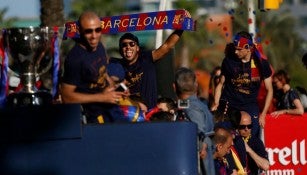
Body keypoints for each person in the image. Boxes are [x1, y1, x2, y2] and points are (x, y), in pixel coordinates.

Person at [60, 11, 126, 124]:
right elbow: (67, 97)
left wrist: (115, 88)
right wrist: (102, 97)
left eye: (97, 30)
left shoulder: (99, 46)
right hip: (93, 117)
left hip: (110, 108)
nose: (94, 36)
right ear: (80, 31)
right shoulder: (75, 59)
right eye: (88, 31)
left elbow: (103, 73)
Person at [211, 31, 273, 137]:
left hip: (249, 105)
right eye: (235, 48)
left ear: (248, 48)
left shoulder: (261, 63)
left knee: (252, 136)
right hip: (229, 104)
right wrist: (216, 103)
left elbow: (270, 90)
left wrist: (263, 114)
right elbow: (221, 84)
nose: (236, 52)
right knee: (224, 135)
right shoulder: (228, 61)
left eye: (239, 50)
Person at [111, 29, 184, 110]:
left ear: (137, 48)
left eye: (132, 44)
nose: (128, 47)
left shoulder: (146, 58)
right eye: (124, 45)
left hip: (150, 114)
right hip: (131, 114)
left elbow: (167, 46)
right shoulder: (116, 66)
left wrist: (181, 28)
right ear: (121, 50)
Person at [173, 67, 215, 175]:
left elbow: (200, 131)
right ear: (196, 84)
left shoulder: (192, 108)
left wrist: (203, 146)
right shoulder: (199, 105)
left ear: (174, 86)